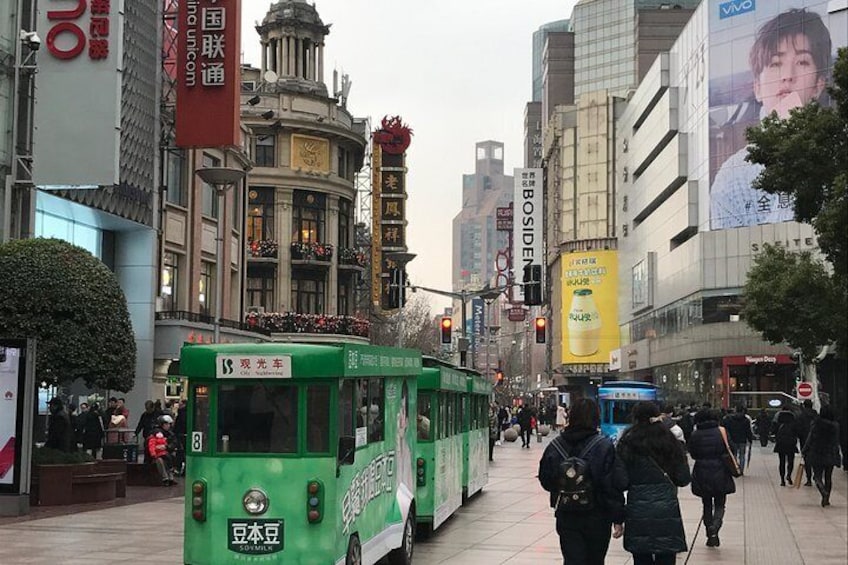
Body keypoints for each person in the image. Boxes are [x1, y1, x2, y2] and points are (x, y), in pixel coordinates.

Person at [710, 8, 832, 229]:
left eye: (802, 62)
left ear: (818, 85)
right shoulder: (733, 176)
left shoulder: (838, 154)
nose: (788, 75)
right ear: (757, 87)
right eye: (776, 64)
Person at [538, 398, 625, 565]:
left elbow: (546, 479)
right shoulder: (604, 446)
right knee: (595, 560)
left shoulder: (555, 446)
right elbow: (612, 485)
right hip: (597, 515)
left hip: (567, 514)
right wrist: (618, 517)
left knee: (572, 559)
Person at [614, 402, 691, 565]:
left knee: (641, 557)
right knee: (666, 555)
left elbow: (620, 481)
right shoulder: (670, 440)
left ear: (635, 417)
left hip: (637, 508)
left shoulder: (627, 442)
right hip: (666, 507)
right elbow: (683, 478)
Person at [688, 409, 736, 547]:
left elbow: (692, 453)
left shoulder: (695, 434)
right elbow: (731, 448)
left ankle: (710, 533)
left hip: (702, 472)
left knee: (707, 504)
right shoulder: (722, 432)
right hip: (721, 470)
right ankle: (715, 526)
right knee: (720, 504)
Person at [802, 405, 841, 507]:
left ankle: (823, 491)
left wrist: (805, 450)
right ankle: (827, 499)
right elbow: (836, 441)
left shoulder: (816, 424)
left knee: (817, 476)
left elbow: (810, 438)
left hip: (816, 452)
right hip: (830, 453)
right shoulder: (835, 426)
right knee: (828, 477)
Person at [773, 404, 800, 486]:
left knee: (782, 462)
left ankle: (782, 480)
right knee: (790, 461)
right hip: (791, 443)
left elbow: (773, 431)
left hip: (780, 443)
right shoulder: (793, 420)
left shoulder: (778, 420)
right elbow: (797, 432)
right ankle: (789, 475)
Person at [723, 404, 754, 475]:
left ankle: (735, 469)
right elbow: (748, 431)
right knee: (742, 455)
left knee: (734, 455)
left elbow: (728, 429)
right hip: (742, 440)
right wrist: (750, 439)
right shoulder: (746, 420)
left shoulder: (730, 419)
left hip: (733, 439)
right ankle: (741, 470)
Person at [147, 415, 178, 486]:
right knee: (160, 461)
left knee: (170, 458)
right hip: (156, 455)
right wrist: (155, 451)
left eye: (169, 424)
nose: (168, 426)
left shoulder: (170, 434)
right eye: (166, 424)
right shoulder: (154, 433)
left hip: (167, 453)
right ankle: (165, 478)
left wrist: (166, 447)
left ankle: (171, 478)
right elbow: (149, 444)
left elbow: (175, 443)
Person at [795, 399, 817, 486]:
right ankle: (816, 475)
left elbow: (798, 428)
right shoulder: (816, 415)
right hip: (815, 440)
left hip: (804, 439)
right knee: (815, 458)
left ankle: (808, 479)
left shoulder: (801, 415)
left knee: (806, 459)